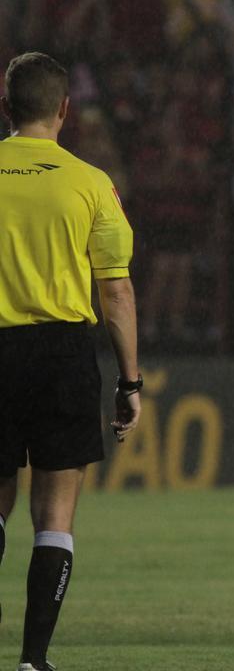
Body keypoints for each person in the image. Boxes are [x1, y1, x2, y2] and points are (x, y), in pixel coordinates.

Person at [0, 52, 142, 671]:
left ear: (7, 108)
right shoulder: (90, 182)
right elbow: (115, 290)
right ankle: (33, 660)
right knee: (53, 516)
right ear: (64, 109)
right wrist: (129, 380)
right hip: (62, 352)